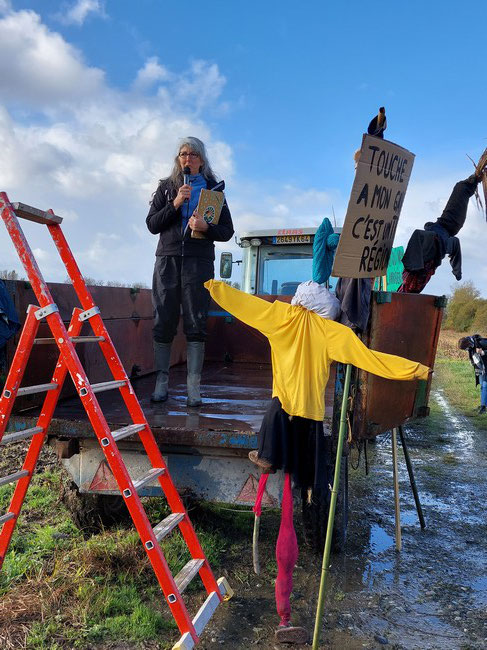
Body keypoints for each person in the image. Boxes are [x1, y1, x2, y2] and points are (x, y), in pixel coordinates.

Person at [146, 137, 234, 406]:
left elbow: (227, 231)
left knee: (196, 323)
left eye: (193, 154)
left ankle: (193, 388)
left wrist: (206, 228)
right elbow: (152, 224)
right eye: (183, 154)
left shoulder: (213, 191)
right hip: (168, 261)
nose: (187, 158)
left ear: (202, 160)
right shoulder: (167, 188)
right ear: (178, 159)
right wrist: (174, 204)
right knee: (163, 321)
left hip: (199, 263)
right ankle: (162, 384)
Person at [458, 335, 487, 413]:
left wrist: (483, 352)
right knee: (482, 386)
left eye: (466, 348)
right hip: (480, 369)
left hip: (485, 368)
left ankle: (483, 407)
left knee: (485, 386)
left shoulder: (482, 342)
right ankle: (483, 405)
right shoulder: (471, 347)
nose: (466, 350)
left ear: (469, 344)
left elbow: (482, 353)